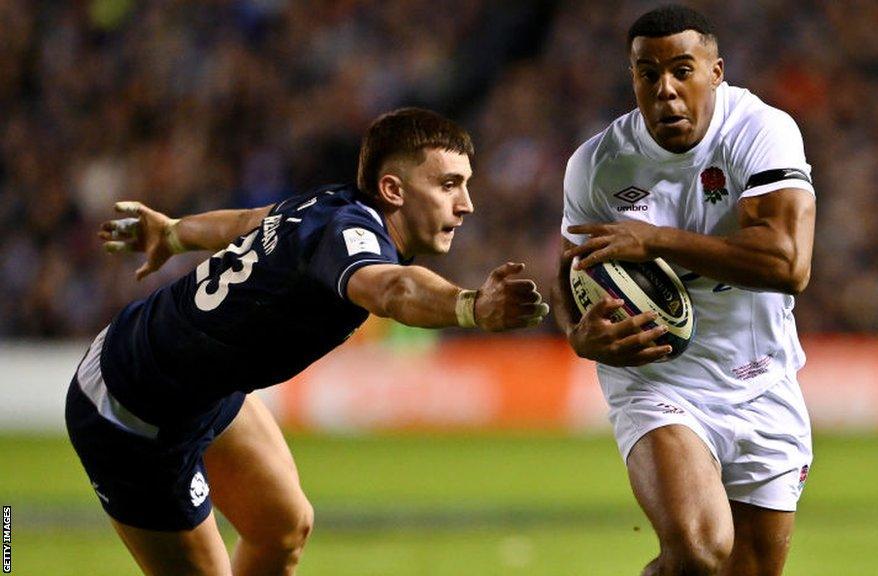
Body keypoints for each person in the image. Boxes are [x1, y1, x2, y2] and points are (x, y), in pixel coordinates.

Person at [66, 107, 549, 576]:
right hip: (131, 409)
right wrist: (471, 306)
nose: (466, 204)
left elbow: (250, 221)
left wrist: (174, 233)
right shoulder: (349, 236)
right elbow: (392, 288)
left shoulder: (328, 204)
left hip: (194, 386)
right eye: (449, 185)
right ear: (393, 190)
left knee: (284, 527)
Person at [552, 5, 816, 576]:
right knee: (701, 551)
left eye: (682, 70)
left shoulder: (760, 131)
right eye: (649, 74)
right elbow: (570, 274)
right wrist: (579, 334)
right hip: (659, 380)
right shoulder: (598, 165)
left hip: (761, 377)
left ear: (716, 72)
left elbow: (788, 262)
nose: (665, 90)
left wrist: (657, 241)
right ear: (634, 79)